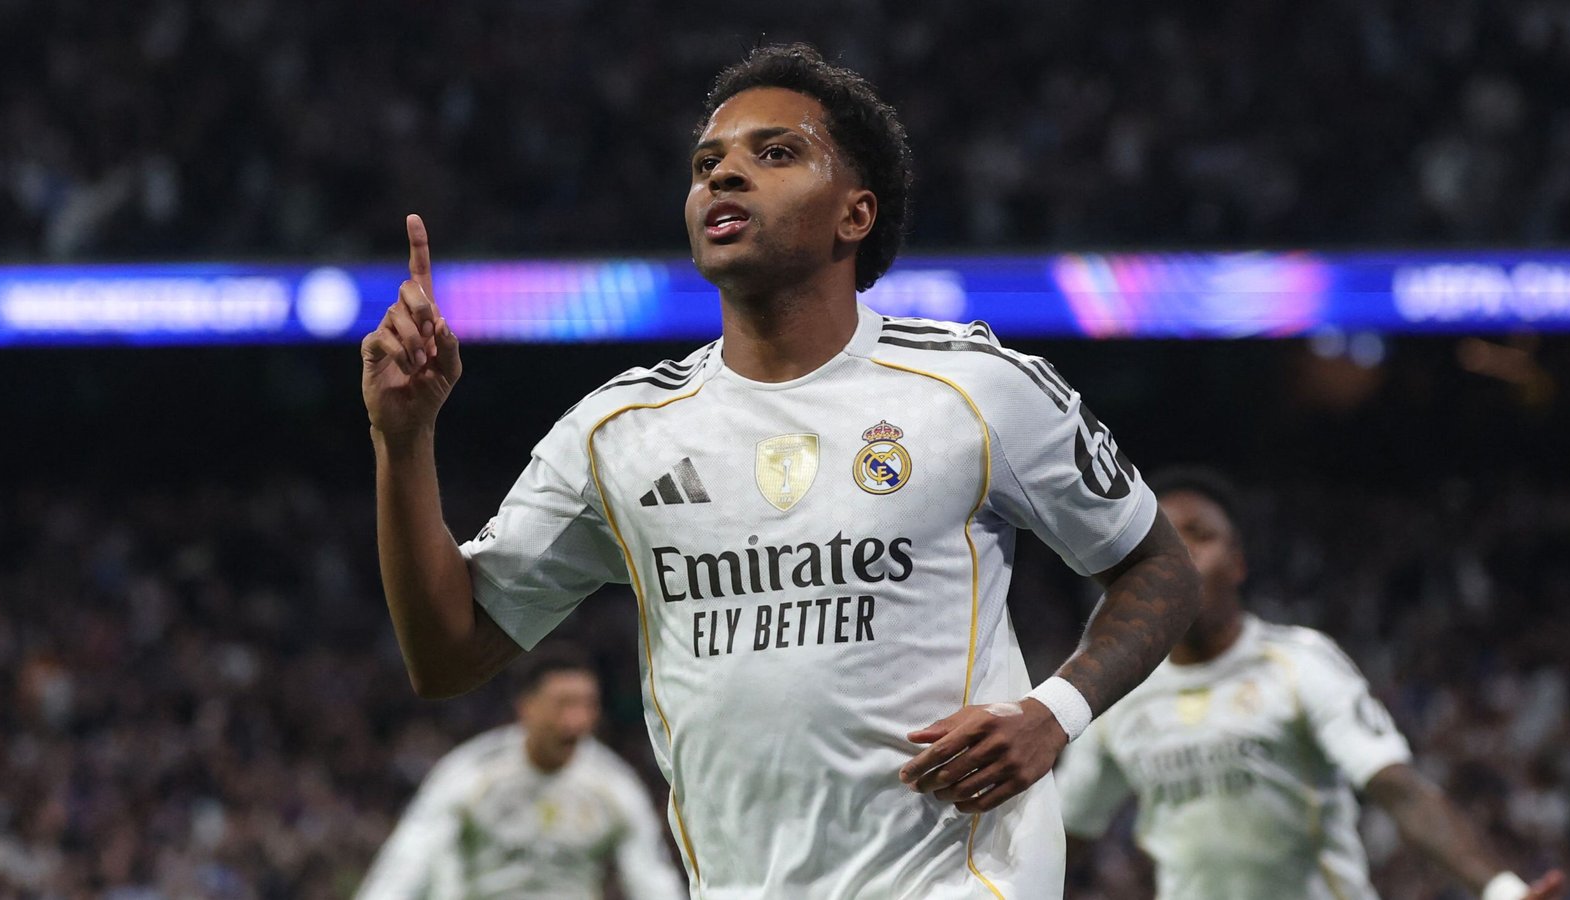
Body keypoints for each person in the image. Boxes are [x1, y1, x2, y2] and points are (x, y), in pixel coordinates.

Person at [360, 43, 1202, 898]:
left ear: (855, 215)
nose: (724, 176)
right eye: (706, 164)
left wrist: (1053, 715)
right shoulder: (615, 432)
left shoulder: (979, 389)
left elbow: (1158, 566)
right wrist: (403, 440)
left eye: (775, 153)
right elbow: (447, 655)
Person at [1055, 467, 1567, 900]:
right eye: (1165, 539)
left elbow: (1401, 791)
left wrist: (1503, 889)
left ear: (1237, 564)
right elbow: (1066, 838)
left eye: (1200, 535)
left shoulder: (1300, 662)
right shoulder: (1123, 691)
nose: (1183, 554)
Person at [355, 644, 686, 899]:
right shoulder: (472, 773)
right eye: (563, 704)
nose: (577, 721)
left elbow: (653, 880)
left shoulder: (614, 785)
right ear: (526, 707)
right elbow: (407, 862)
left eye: (587, 705)